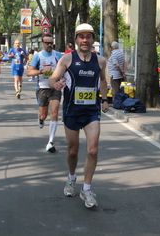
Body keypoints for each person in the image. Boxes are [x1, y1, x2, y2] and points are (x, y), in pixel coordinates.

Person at [49, 23, 109, 208]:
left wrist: (105, 99)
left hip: (91, 112)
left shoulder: (100, 61)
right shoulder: (67, 59)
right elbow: (52, 78)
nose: (85, 40)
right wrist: (55, 84)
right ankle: (71, 178)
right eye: (81, 37)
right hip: (72, 111)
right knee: (73, 150)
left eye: (88, 36)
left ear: (92, 39)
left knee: (93, 150)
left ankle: (87, 189)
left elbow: (103, 80)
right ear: (76, 39)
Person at [27, 34, 63, 153]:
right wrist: (41, 71)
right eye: (47, 43)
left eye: (51, 43)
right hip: (42, 88)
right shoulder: (38, 56)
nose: (49, 45)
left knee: (54, 112)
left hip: (55, 88)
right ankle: (40, 118)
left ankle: (50, 142)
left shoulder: (57, 55)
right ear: (42, 43)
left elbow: (66, 67)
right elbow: (29, 73)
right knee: (44, 115)